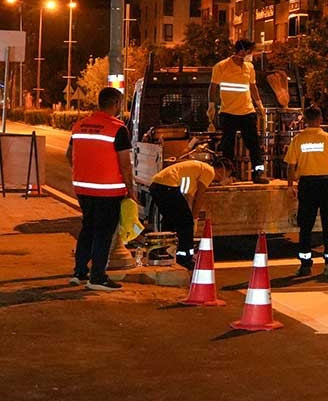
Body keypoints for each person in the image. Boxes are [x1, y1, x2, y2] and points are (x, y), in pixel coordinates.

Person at [66, 87, 135, 291]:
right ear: (116, 104)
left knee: (87, 228)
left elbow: (69, 155)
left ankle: (79, 273)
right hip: (108, 191)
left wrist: (84, 173)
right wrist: (131, 191)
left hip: (83, 189)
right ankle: (97, 277)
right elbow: (125, 165)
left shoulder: (79, 125)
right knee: (104, 233)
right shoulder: (117, 128)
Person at [286, 106, 328, 277]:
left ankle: (305, 265)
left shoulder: (298, 139)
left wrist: (290, 185)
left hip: (307, 185)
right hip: (326, 185)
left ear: (305, 120)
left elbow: (291, 165)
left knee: (305, 225)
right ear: (320, 119)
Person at [149, 156, 234, 269]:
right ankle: (185, 258)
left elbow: (189, 197)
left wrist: (190, 215)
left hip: (157, 186)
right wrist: (193, 218)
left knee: (170, 220)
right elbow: (200, 197)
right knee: (186, 223)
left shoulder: (198, 170)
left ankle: (167, 253)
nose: (226, 177)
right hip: (168, 186)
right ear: (221, 170)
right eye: (227, 174)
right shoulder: (209, 171)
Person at [207, 39, 269, 184]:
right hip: (228, 112)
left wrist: (259, 103)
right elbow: (213, 87)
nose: (251, 54)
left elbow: (252, 86)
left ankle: (258, 173)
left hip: (247, 111)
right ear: (243, 50)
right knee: (228, 145)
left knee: (254, 144)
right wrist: (211, 105)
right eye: (250, 51)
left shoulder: (249, 67)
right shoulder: (221, 66)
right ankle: (228, 175)